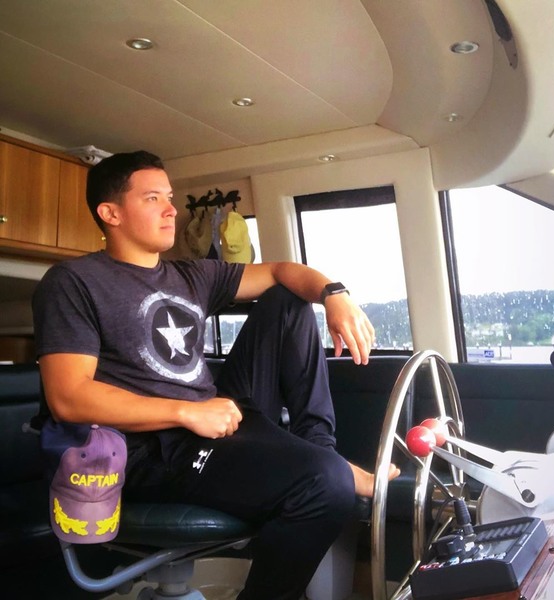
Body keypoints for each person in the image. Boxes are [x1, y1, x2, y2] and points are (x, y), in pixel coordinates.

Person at [32, 151, 399, 600]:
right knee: (326, 486)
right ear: (111, 213)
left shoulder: (191, 275)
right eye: (153, 198)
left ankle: (321, 449)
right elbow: (69, 398)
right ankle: (328, 472)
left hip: (210, 417)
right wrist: (186, 413)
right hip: (150, 448)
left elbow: (281, 270)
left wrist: (334, 294)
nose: (172, 209)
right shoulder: (73, 282)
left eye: (170, 197)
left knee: (289, 300)